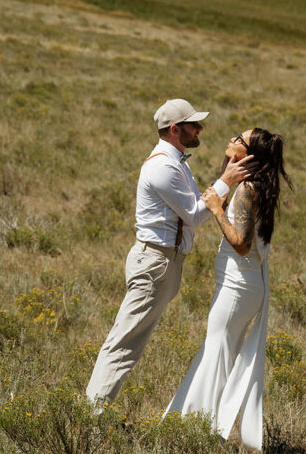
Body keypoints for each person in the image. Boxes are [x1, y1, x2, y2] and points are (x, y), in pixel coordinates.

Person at [86, 98, 251, 407]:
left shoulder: (175, 162)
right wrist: (227, 180)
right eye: (194, 124)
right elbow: (195, 214)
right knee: (124, 344)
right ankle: (92, 415)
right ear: (176, 130)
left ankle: (95, 410)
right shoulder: (164, 166)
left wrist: (222, 180)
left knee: (129, 342)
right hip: (156, 262)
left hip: (163, 263)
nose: (200, 128)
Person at [163, 127, 291, 450]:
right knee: (218, 351)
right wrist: (228, 167)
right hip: (242, 286)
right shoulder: (252, 184)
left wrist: (218, 210)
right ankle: (197, 425)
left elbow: (242, 244)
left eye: (239, 139)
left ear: (249, 156)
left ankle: (193, 428)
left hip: (238, 288)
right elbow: (224, 176)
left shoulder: (248, 189)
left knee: (215, 353)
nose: (231, 139)